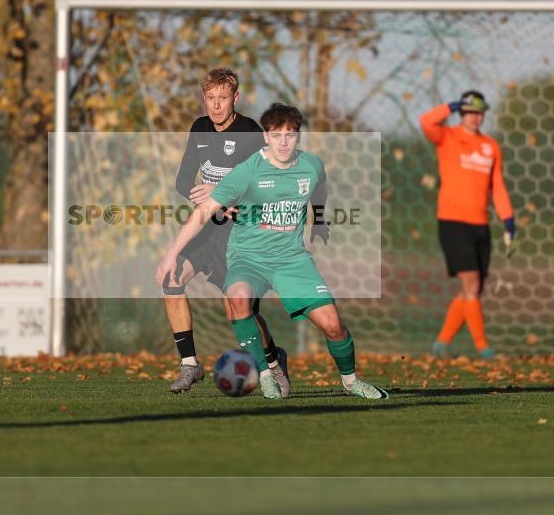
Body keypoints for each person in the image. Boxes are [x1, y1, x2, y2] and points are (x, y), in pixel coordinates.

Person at [157, 102, 388, 400]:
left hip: (292, 260)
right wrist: (171, 254)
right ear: (265, 136)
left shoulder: (312, 166)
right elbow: (203, 212)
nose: (283, 142)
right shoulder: (246, 171)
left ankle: (351, 381)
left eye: (289, 135)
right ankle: (265, 376)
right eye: (276, 135)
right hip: (247, 258)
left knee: (333, 325)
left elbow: (320, 189)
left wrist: (319, 220)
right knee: (237, 298)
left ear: (298, 137)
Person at [165, 68, 290, 397]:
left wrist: (223, 194)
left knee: (239, 310)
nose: (216, 105)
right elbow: (183, 180)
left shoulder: (251, 133)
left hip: (239, 233)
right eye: (211, 98)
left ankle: (274, 361)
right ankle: (190, 365)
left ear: (236, 98)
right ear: (204, 98)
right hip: (207, 228)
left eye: (223, 98)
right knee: (171, 279)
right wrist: (200, 195)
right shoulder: (200, 128)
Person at [419, 90, 515, 359]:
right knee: (471, 284)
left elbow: (498, 186)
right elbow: (426, 121)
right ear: (462, 113)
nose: (475, 117)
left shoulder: (491, 146)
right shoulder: (447, 136)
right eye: (469, 111)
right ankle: (483, 348)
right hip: (453, 222)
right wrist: (450, 106)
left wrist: (508, 220)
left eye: (479, 112)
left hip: (480, 224)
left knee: (473, 288)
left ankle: (442, 343)